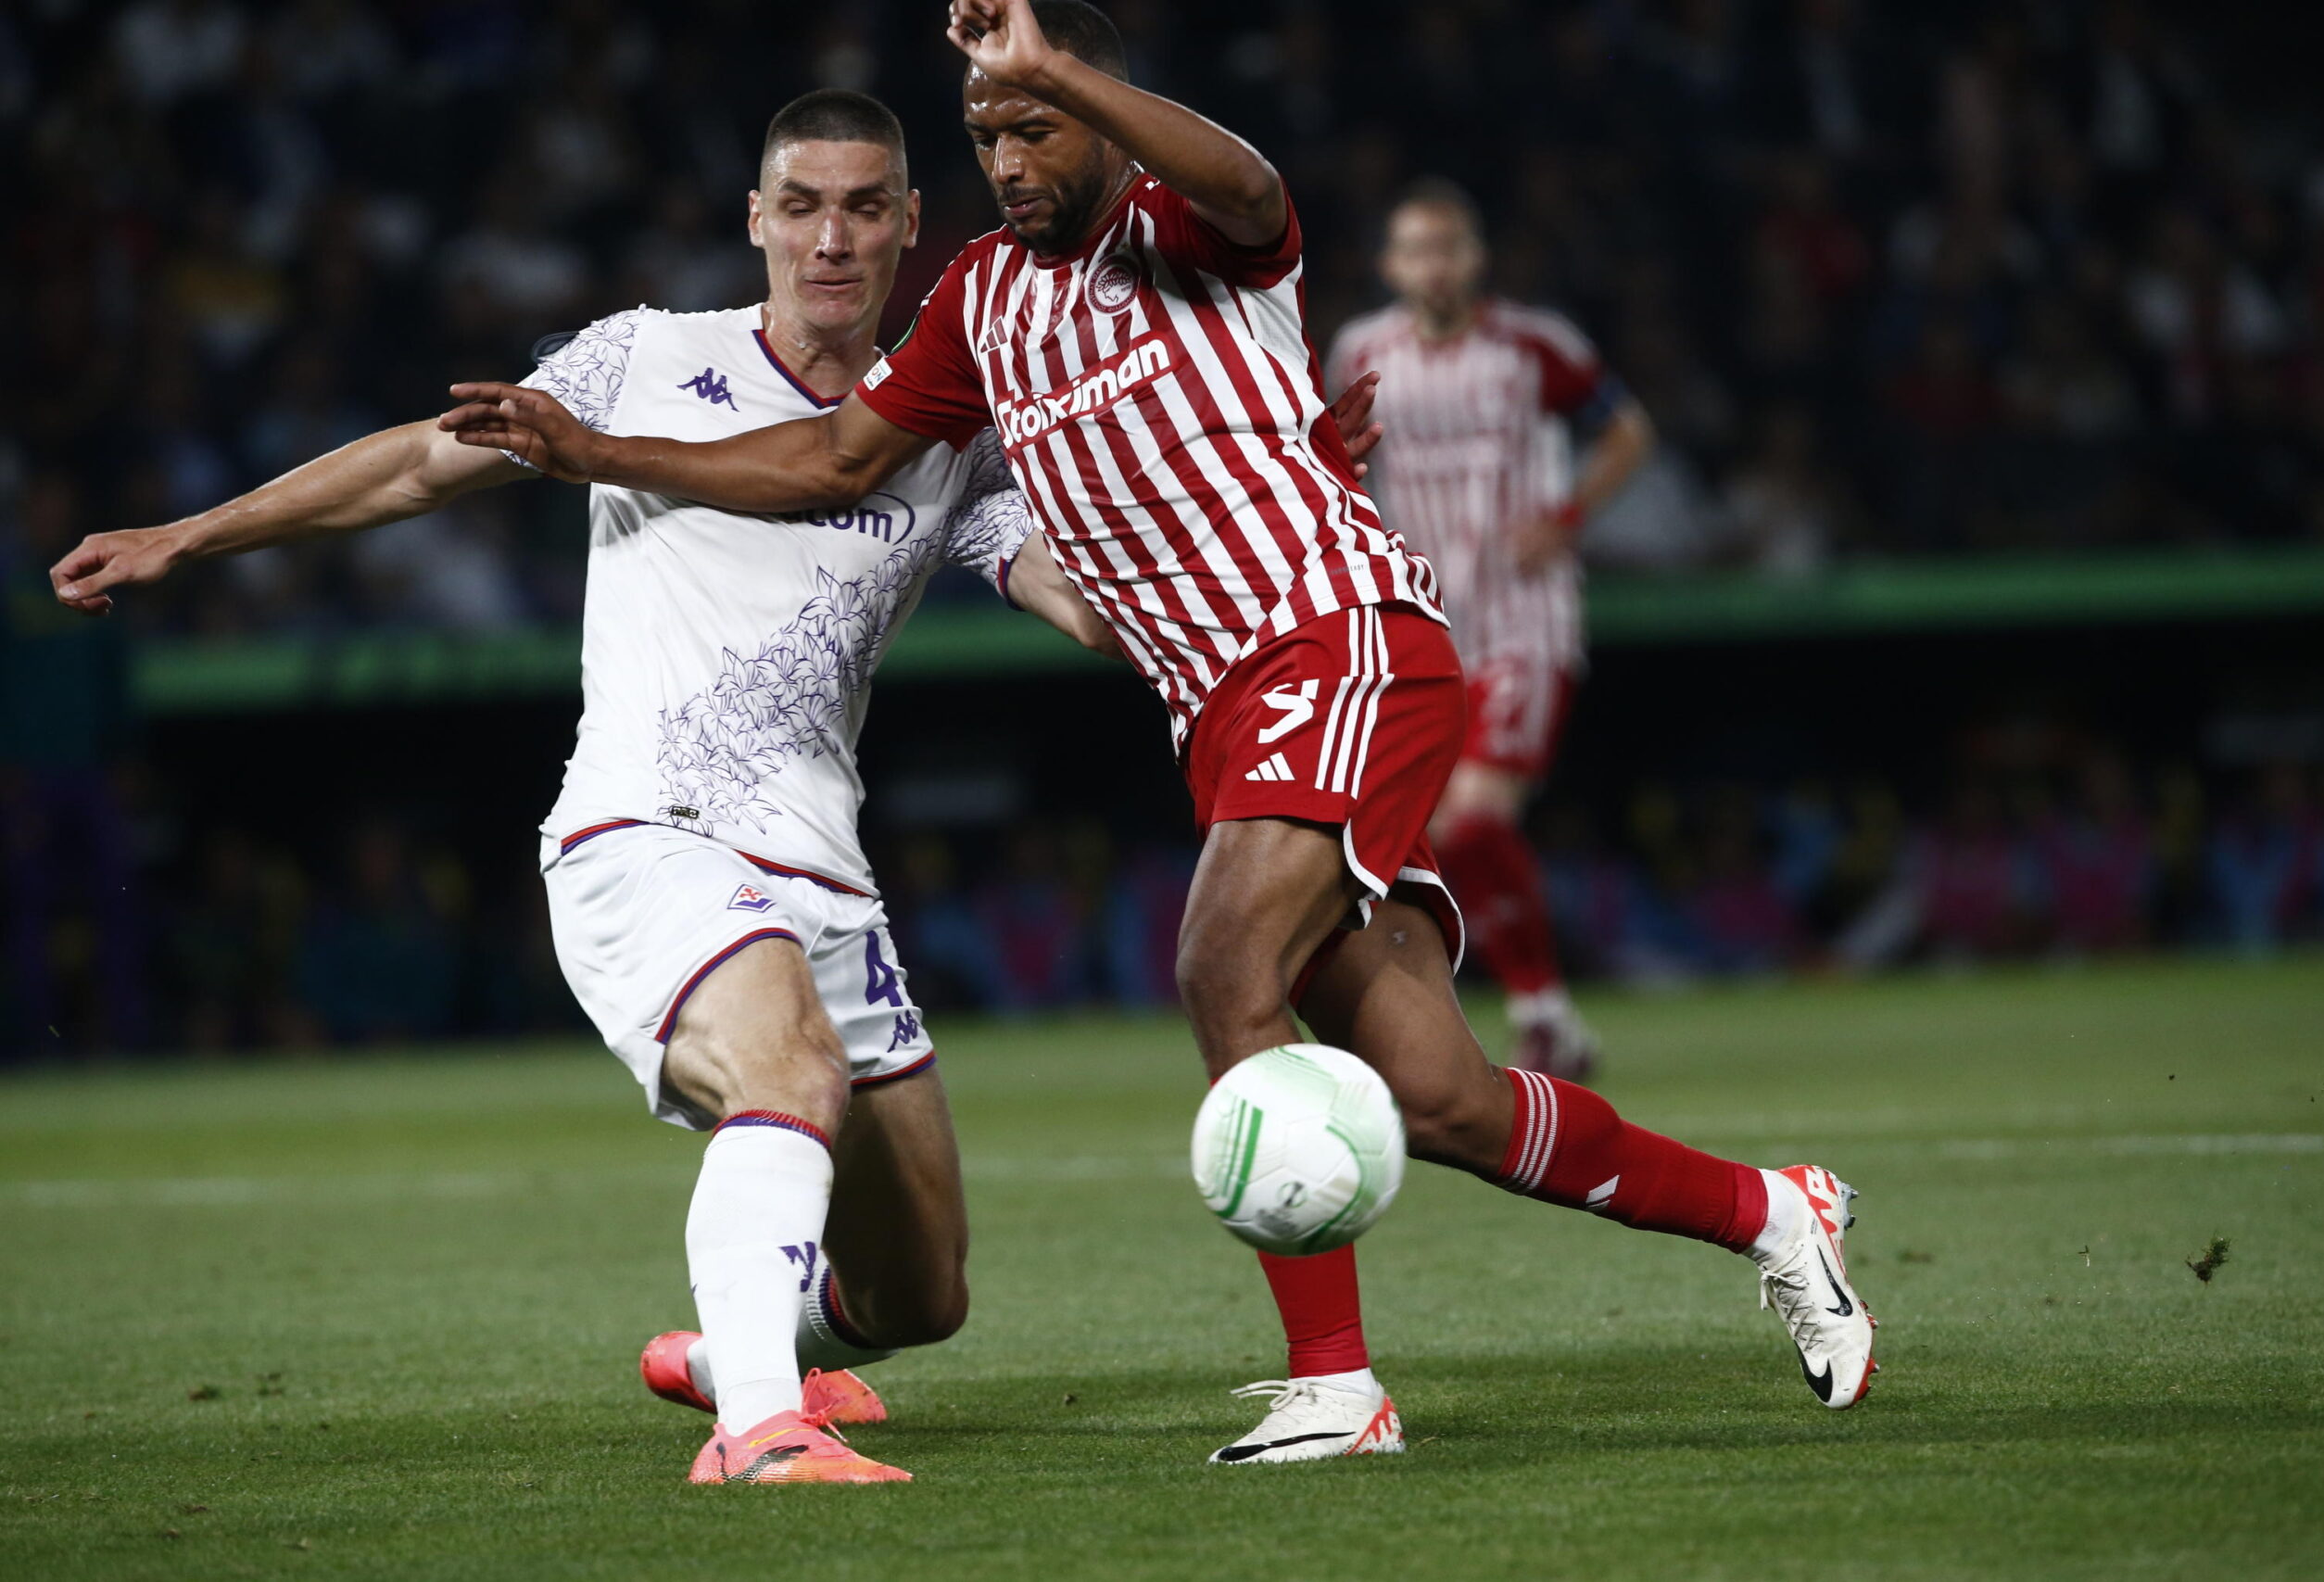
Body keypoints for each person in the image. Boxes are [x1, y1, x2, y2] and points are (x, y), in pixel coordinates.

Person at [440, 0, 1879, 1466]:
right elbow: (831, 458)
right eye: (988, 132)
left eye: (1037, 124)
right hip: (1228, 709)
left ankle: (1337, 1382)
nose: (1009, 157)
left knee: (1218, 965)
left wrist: (1051, 61)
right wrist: (603, 451)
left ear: (1102, 112)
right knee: (1436, 1095)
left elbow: (1255, 191)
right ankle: (1775, 1210)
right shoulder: (980, 304)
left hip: (1341, 640)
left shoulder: (1189, 230)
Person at [52, 88, 1383, 1487]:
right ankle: (759, 1427)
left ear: (910, 226)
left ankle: (729, 1344)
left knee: (921, 1292)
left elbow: (1088, 599)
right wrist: (191, 536)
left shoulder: (948, 420)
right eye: (801, 205)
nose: (833, 238)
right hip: (648, 832)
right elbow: (412, 467)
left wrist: (1262, 513)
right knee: (785, 1058)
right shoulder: (642, 358)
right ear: (754, 219)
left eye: (867, 207)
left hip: (826, 876)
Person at [1330, 183, 1657, 1080]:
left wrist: (1564, 516)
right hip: (1421, 623)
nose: (1435, 265)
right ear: (1390, 266)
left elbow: (1627, 431)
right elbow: (1327, 457)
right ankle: (1531, 1015)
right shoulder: (1360, 350)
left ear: (1475, 259)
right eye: (1415, 249)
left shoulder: (1531, 345)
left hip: (1523, 618)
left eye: (1450, 247)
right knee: (1421, 839)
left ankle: (1541, 1012)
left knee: (1473, 821)